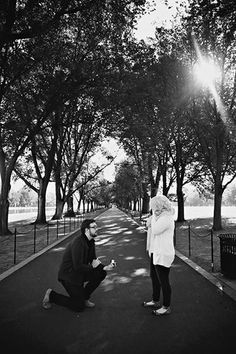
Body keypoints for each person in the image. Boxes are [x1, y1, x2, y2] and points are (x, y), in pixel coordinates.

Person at [42, 218, 116, 312]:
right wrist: (93, 267)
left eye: (96, 227)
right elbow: (78, 266)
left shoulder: (91, 241)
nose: (96, 229)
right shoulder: (78, 243)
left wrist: (105, 267)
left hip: (80, 273)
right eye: (94, 227)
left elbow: (93, 260)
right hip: (69, 276)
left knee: (101, 273)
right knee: (78, 306)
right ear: (86, 230)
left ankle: (84, 298)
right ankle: (51, 295)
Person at [143, 195, 175, 316]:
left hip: (163, 253)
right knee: (154, 277)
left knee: (163, 281)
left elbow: (155, 230)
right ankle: (155, 300)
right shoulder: (157, 216)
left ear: (160, 206)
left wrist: (153, 218)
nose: (152, 209)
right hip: (155, 251)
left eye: (154, 206)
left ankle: (166, 306)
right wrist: (152, 218)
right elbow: (148, 225)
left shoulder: (166, 217)